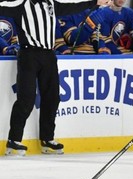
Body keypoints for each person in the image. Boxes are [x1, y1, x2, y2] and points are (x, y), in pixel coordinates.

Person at [0, 0, 111, 156]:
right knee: (26, 98)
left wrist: (94, 2)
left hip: (49, 55)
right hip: (28, 54)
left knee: (52, 98)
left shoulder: (51, 3)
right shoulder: (21, 3)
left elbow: (72, 5)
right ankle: (13, 140)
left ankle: (47, 139)